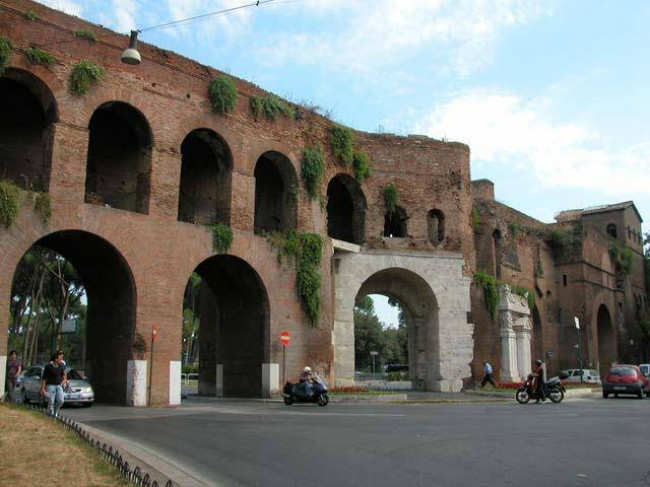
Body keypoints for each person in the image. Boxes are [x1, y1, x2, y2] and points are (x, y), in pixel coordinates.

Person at [40, 350, 67, 417]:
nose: (61, 360)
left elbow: (64, 374)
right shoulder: (48, 367)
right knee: (51, 401)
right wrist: (42, 388)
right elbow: (44, 378)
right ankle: (49, 413)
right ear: (56, 359)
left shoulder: (62, 365)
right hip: (50, 385)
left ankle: (56, 411)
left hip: (59, 385)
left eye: (61, 359)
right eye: (60, 359)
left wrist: (64, 380)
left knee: (61, 400)